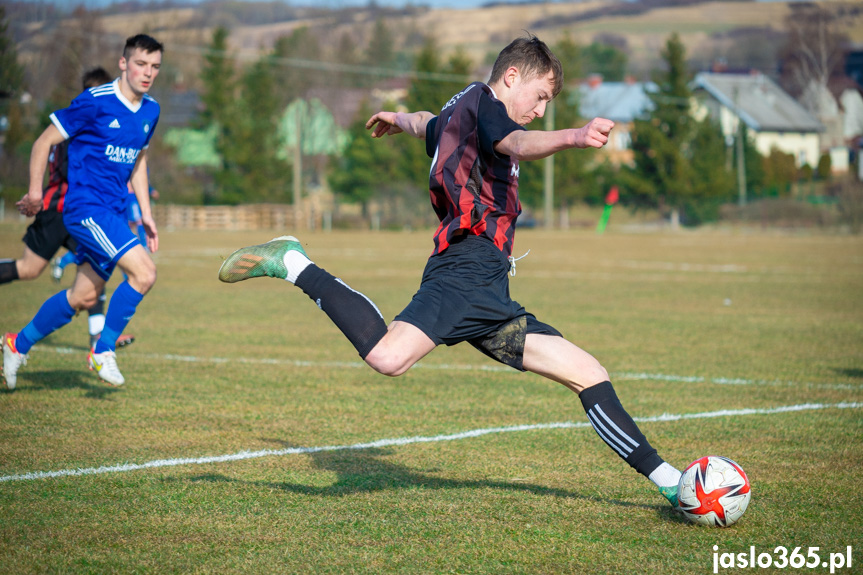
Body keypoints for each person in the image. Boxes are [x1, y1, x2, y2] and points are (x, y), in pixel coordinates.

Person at [217, 34, 683, 508]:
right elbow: (517, 141)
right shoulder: (488, 106)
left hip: (488, 288)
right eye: (541, 97)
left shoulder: (461, 110)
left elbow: (426, 123)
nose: (542, 110)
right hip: (465, 269)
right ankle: (292, 262)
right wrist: (575, 137)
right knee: (387, 357)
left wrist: (396, 119)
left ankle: (675, 483)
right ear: (511, 76)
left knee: (587, 371)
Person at [2, 34, 163, 390]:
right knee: (144, 274)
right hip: (85, 209)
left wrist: (147, 214)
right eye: (140, 64)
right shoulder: (95, 101)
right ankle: (102, 350)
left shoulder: (151, 110)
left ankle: (17, 343)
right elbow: (44, 141)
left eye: (154, 67)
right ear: (123, 63)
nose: (147, 73)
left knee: (84, 296)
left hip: (116, 213)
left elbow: (138, 161)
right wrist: (34, 191)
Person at [0, 67, 134, 350]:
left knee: (98, 267)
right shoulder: (77, 129)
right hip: (60, 212)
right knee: (29, 269)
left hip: (85, 215)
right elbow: (68, 167)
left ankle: (99, 337)